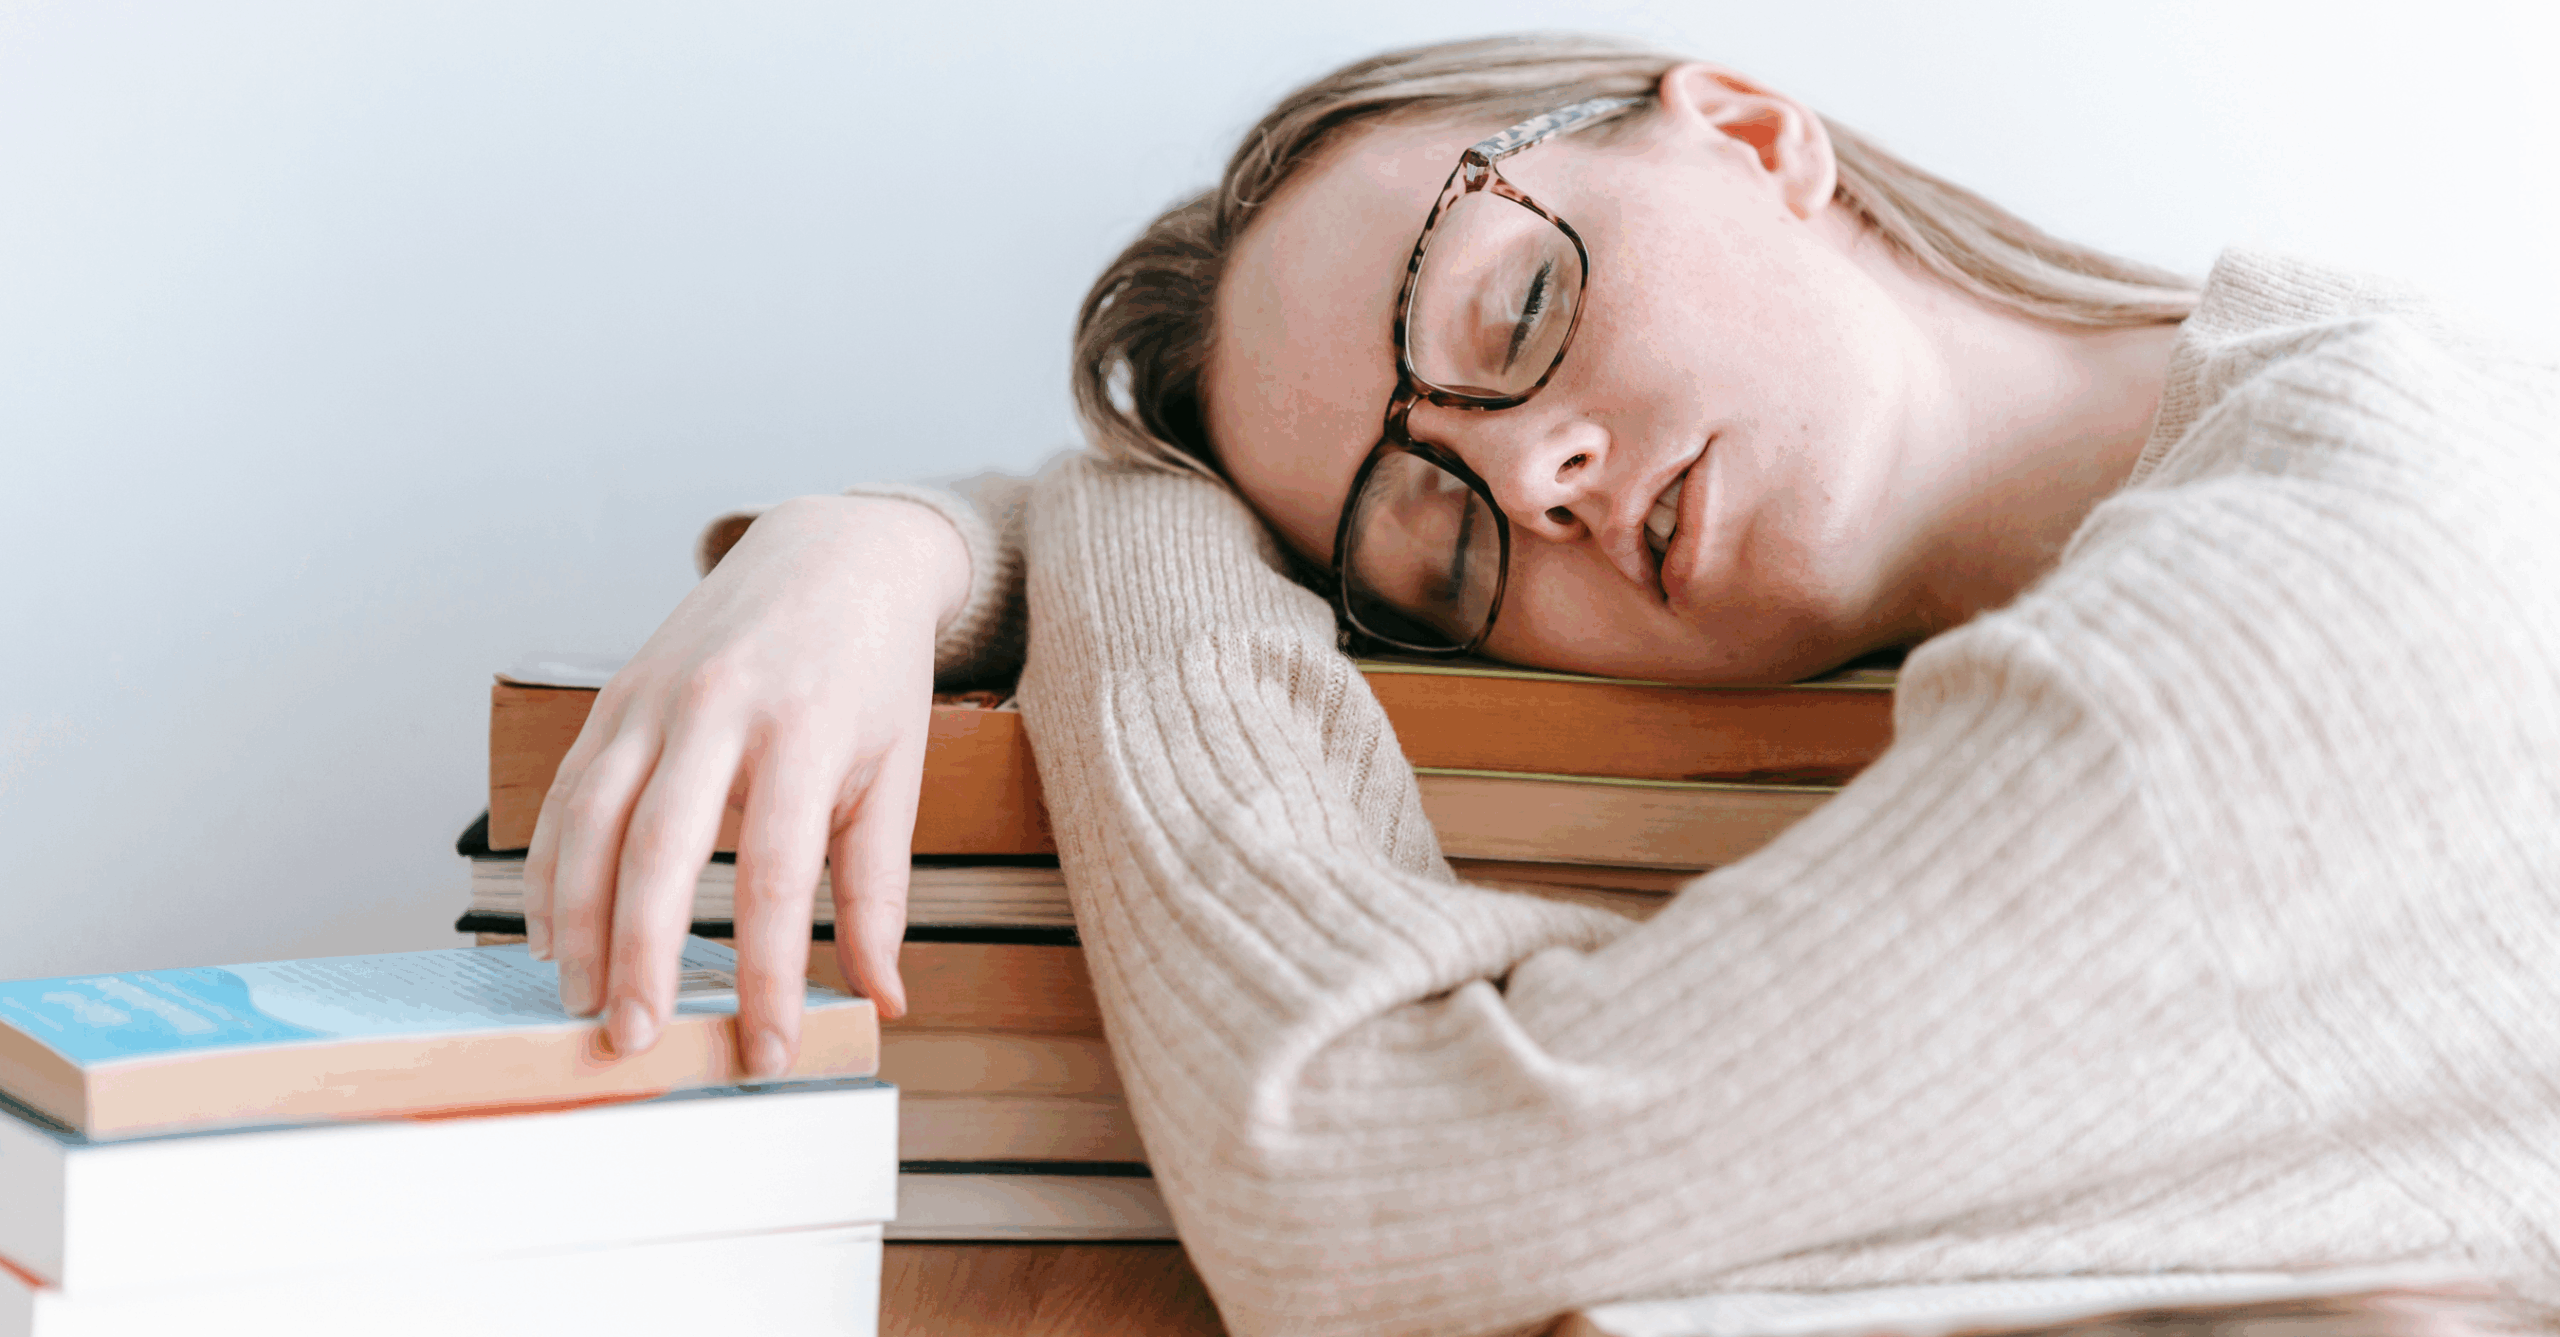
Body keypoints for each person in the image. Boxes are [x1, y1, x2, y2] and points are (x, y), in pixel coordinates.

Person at [517, 34, 2560, 1337]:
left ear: (1749, 133)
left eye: (1509, 306)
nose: (1531, 474)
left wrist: (1098, 511)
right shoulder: (2332, 390)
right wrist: (886, 538)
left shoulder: (2281, 604)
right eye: (1426, 538)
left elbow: (1365, 1177)